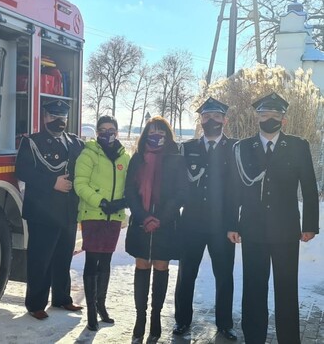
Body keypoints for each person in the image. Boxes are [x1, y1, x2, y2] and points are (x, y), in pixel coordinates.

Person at [228, 92, 319, 343]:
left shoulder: (298, 146)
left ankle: (289, 339)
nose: (269, 118)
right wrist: (231, 224)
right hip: (252, 229)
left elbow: (309, 187)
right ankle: (254, 338)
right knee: (254, 289)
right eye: (264, 114)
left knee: (287, 290)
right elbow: (234, 189)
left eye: (275, 114)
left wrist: (310, 224)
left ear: (284, 120)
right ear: (256, 117)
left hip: (286, 230)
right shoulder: (243, 147)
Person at [173, 98, 237, 340]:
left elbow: (236, 191)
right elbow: (178, 184)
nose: (211, 120)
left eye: (216, 116)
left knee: (224, 276)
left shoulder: (234, 148)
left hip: (222, 226)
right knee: (186, 275)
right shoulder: (187, 148)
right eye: (207, 116)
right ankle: (182, 321)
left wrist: (234, 224)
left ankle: (225, 323)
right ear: (201, 120)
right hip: (191, 223)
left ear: (225, 120)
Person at [15, 100, 85, 320]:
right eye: (54, 116)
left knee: (64, 257)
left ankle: (62, 299)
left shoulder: (75, 142)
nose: (58, 121)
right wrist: (52, 182)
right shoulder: (32, 142)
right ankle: (36, 304)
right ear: (44, 117)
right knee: (40, 259)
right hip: (43, 211)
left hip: (67, 211)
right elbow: (23, 171)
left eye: (62, 117)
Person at [125, 116, 188, 343]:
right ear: (145, 135)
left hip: (166, 224)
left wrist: (160, 218)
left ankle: (155, 316)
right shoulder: (137, 159)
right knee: (142, 265)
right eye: (152, 132)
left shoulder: (176, 160)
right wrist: (144, 217)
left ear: (167, 136)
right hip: (140, 224)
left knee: (161, 266)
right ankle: (140, 317)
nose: (157, 136)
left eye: (161, 132)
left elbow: (181, 193)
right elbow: (129, 192)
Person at [74, 115, 130, 331]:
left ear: (117, 131)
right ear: (97, 133)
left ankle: (101, 305)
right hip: (93, 214)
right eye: (103, 129)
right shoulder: (88, 154)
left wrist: (123, 201)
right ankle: (90, 311)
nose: (108, 133)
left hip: (114, 217)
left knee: (106, 263)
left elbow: (129, 183)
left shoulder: (125, 157)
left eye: (112, 129)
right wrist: (101, 201)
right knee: (92, 261)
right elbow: (80, 184)